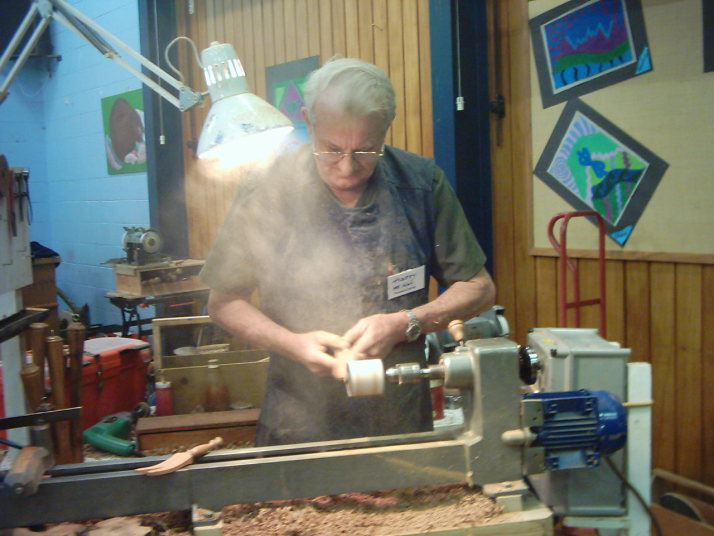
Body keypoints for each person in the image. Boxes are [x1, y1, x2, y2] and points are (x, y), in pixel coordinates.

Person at [199, 57, 496, 446]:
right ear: (308, 120)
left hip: (398, 419)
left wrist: (406, 322)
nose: (346, 168)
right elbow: (224, 303)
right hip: (297, 422)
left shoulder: (421, 185)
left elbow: (479, 288)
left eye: (366, 150)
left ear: (386, 127)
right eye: (331, 149)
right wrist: (293, 344)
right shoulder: (267, 189)